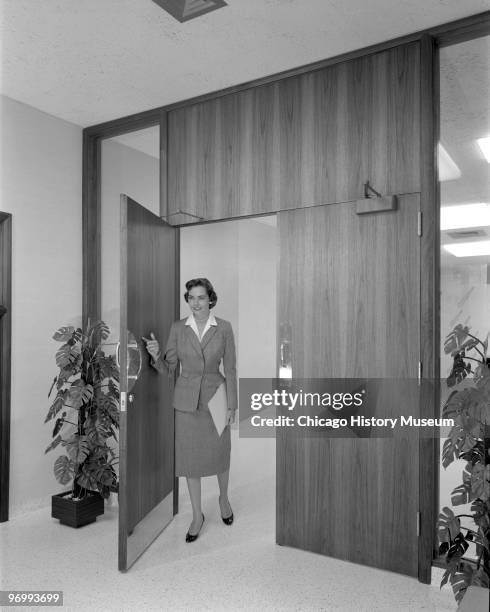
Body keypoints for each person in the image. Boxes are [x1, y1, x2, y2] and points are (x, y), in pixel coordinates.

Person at [142, 278, 237, 543]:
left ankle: (224, 499)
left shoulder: (224, 328)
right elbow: (169, 368)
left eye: (200, 297)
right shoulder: (178, 328)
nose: (195, 303)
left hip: (216, 397)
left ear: (210, 299)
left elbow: (230, 369)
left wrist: (232, 405)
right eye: (191, 297)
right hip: (185, 402)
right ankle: (197, 515)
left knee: (221, 455)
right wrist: (156, 354)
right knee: (189, 461)